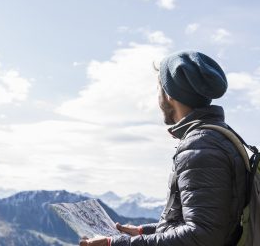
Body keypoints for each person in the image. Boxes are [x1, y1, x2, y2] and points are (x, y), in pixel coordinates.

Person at [80, 51, 247, 246]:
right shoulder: (216, 137)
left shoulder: (200, 146)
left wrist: (115, 244)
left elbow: (203, 236)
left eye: (159, 89)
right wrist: (143, 232)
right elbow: (213, 222)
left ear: (169, 94)